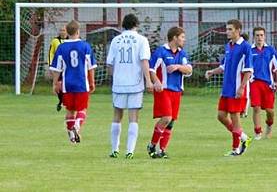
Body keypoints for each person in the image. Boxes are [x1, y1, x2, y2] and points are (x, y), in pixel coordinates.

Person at [107, 13, 154, 159]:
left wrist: (115, 77)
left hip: (119, 83)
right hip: (135, 83)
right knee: (133, 117)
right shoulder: (141, 40)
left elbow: (109, 65)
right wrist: (148, 81)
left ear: (123, 25)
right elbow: (144, 61)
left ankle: (115, 149)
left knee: (117, 116)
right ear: (137, 25)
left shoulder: (116, 40)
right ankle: (130, 151)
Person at [205, 19, 254, 156]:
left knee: (235, 119)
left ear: (238, 30)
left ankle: (235, 149)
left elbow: (248, 70)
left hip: (237, 89)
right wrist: (212, 72)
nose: (227, 32)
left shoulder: (245, 47)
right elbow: (224, 66)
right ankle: (244, 138)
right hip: (226, 89)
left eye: (230, 29)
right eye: (227, 29)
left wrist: (242, 88)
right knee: (221, 116)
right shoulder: (228, 46)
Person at [146, 26, 192, 159]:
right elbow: (151, 69)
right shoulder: (161, 52)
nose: (184, 40)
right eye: (182, 37)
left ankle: (162, 150)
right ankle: (152, 145)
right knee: (166, 118)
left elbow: (189, 69)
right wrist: (156, 82)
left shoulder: (182, 53)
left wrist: (178, 67)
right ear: (174, 38)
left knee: (171, 122)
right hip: (164, 90)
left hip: (177, 91)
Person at [49, 20, 96, 144]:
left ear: (67, 32)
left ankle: (72, 137)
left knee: (69, 110)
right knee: (82, 110)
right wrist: (92, 82)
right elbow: (90, 67)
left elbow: (56, 69)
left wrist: (55, 84)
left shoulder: (61, 47)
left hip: (67, 85)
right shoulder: (85, 46)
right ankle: (77, 125)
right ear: (78, 31)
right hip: (81, 83)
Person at [249, 26, 277, 140]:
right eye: (257, 35)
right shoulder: (250, 50)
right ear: (253, 37)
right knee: (256, 108)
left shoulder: (270, 50)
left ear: (265, 36)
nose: (259, 37)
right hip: (254, 82)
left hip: (268, 84)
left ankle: (269, 126)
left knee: (270, 111)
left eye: (261, 35)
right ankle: (258, 132)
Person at [48, 25, 68, 111]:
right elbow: (51, 53)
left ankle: (66, 101)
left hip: (68, 68)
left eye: (63, 30)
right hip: (58, 67)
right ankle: (61, 101)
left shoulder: (71, 41)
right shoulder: (55, 41)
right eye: (61, 30)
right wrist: (50, 65)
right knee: (58, 85)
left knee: (67, 85)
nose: (62, 32)